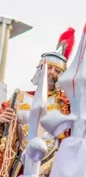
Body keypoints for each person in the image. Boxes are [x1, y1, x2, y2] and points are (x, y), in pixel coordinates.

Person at [0, 28, 75, 177]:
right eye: (49, 68)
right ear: (40, 69)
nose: (52, 72)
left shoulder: (66, 103)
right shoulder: (19, 98)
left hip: (53, 163)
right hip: (22, 160)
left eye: (56, 70)